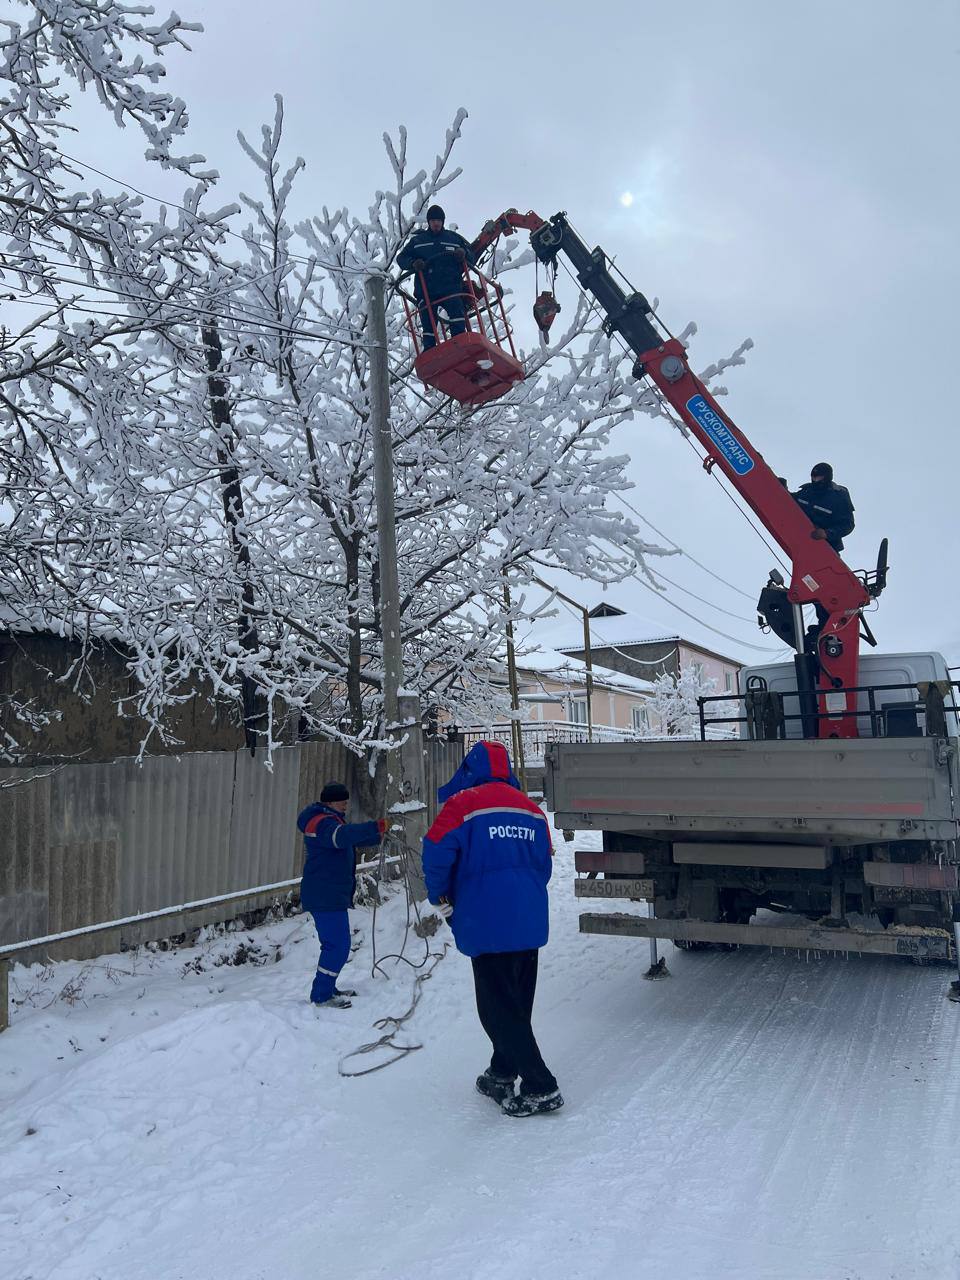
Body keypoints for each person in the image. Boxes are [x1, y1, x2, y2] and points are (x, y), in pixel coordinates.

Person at [422, 741, 563, 1118]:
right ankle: (501, 1072)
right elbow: (544, 867)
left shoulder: (462, 806)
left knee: (496, 1008)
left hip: (485, 917)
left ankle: (540, 1085)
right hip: (528, 917)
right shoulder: (532, 810)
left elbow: (435, 852)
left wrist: (441, 896)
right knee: (515, 1002)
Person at [297, 782, 386, 1009]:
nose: (345, 804)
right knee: (337, 946)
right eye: (341, 800)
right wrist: (375, 827)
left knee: (336, 945)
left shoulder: (330, 820)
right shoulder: (321, 823)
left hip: (329, 893)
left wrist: (380, 834)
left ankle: (328, 987)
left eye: (346, 800)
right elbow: (341, 837)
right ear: (329, 802)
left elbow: (349, 838)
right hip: (324, 894)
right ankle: (322, 995)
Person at [397, 204, 476, 350]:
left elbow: (472, 256)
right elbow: (401, 258)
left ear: (443, 221)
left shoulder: (453, 239)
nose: (436, 223)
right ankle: (430, 351)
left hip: (450, 287)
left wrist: (463, 254)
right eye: (433, 220)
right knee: (428, 323)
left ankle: (459, 346)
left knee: (457, 313)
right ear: (428, 221)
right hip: (426, 289)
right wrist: (413, 263)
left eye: (439, 220)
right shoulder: (418, 241)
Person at [792, 463, 855, 553]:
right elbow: (791, 501)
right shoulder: (807, 491)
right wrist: (781, 487)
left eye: (819, 477)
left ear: (827, 477)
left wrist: (827, 533)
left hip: (827, 547)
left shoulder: (839, 497)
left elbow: (847, 524)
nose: (816, 480)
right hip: (802, 541)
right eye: (814, 477)